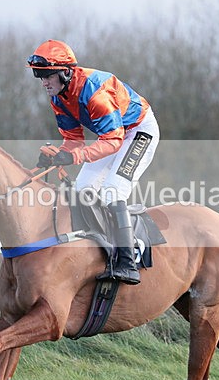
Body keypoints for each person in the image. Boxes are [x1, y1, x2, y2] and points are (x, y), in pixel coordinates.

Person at [27, 39, 160, 285]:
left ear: (65, 72)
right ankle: (100, 250)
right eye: (38, 75)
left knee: (112, 191)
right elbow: (73, 141)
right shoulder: (58, 97)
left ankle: (128, 261)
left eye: (47, 75)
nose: (43, 81)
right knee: (82, 190)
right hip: (112, 135)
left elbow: (114, 141)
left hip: (138, 131)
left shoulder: (94, 91)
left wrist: (73, 156)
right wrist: (57, 155)